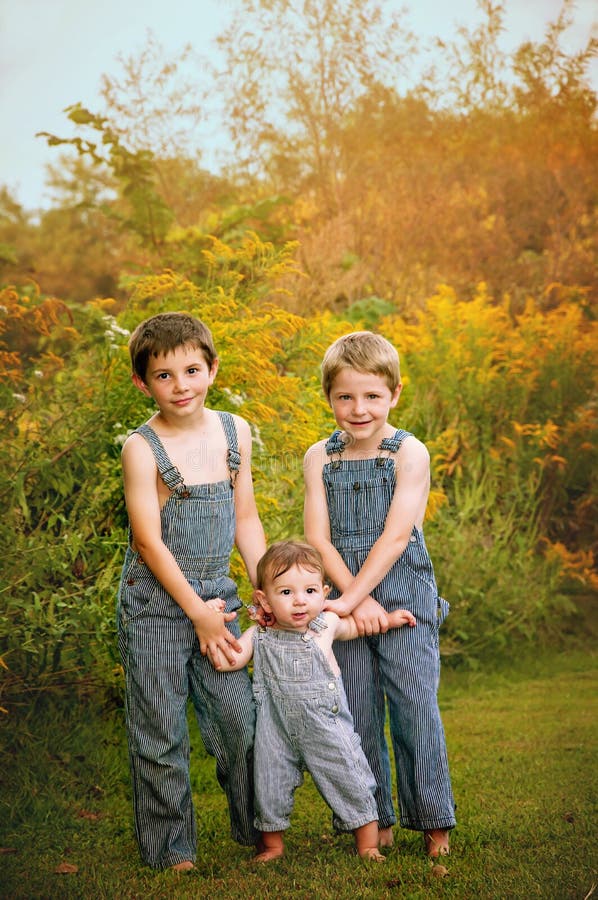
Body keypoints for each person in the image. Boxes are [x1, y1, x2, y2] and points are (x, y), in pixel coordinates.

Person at [116, 311, 267, 871]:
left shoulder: (234, 432)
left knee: (239, 721)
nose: (180, 386)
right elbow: (150, 545)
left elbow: (246, 519)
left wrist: (263, 588)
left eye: (191, 370)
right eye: (163, 375)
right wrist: (196, 617)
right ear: (142, 382)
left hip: (217, 597)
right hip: (155, 605)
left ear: (212, 369)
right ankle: (171, 849)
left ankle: (257, 829)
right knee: (160, 733)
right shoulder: (142, 448)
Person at [303, 330, 456, 858]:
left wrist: (354, 598)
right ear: (329, 399)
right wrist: (353, 599)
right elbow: (318, 538)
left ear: (394, 393)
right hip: (347, 590)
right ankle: (374, 820)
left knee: (415, 707)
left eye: (371, 396)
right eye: (345, 396)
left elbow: (395, 536)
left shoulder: (408, 452)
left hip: (405, 591)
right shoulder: (319, 456)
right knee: (356, 708)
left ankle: (434, 823)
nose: (358, 408)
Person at [210, 539, 416, 863]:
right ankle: (274, 845)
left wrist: (389, 620)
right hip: (275, 726)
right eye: (286, 593)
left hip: (325, 723)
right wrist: (212, 626)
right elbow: (229, 662)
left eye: (309, 591)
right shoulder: (259, 635)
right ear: (264, 599)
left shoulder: (326, 624)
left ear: (324, 592)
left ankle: (368, 845)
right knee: (269, 783)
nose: (299, 602)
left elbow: (356, 627)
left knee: (348, 775)